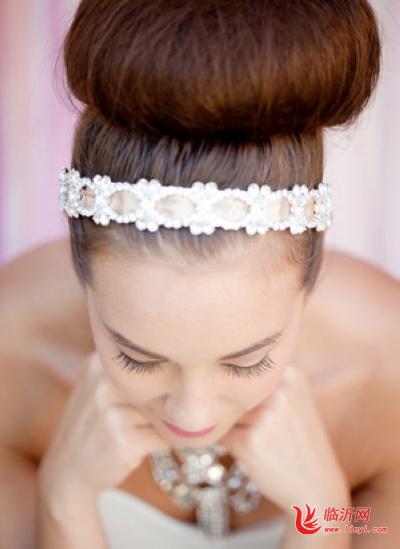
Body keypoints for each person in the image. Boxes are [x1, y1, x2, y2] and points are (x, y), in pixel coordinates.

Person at [0, 0, 399, 548]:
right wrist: (63, 506)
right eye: (137, 357)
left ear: (311, 274)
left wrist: (323, 517)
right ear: (80, 270)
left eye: (249, 360)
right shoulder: (13, 357)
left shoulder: (387, 378)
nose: (192, 416)